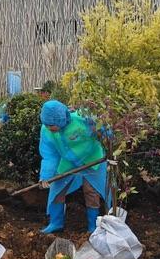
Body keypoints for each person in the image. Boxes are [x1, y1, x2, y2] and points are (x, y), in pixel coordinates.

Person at [38, 100, 108, 234]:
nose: (49, 128)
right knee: (57, 187)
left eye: (52, 125)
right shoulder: (46, 131)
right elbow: (50, 155)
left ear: (62, 118)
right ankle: (56, 223)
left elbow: (103, 130)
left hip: (92, 159)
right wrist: (46, 176)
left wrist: (109, 134)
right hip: (69, 161)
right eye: (46, 125)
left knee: (91, 191)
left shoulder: (82, 119)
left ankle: (93, 226)